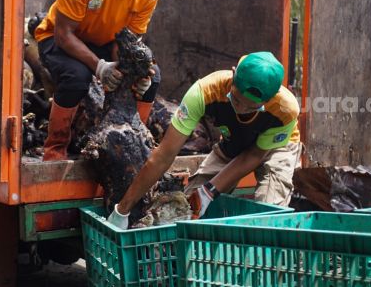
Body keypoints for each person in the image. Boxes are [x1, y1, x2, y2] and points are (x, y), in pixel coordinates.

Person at [107, 52, 302, 229]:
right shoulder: (204, 92)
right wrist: (122, 209)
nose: (240, 109)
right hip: (234, 141)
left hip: (276, 148)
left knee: (267, 213)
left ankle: (263, 263)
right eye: (236, 99)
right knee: (186, 207)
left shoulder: (285, 109)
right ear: (233, 74)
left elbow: (255, 155)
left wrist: (210, 191)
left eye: (250, 108)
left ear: (270, 99)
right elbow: (164, 155)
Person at [34, 0, 164, 161]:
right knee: (77, 77)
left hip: (103, 43)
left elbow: (125, 45)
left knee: (152, 77)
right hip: (58, 38)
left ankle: (136, 145)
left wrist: (132, 74)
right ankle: (54, 149)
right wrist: (100, 67)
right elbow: (63, 35)